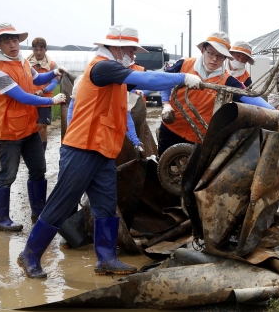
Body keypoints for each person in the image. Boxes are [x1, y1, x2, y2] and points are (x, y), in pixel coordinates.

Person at [18, 25, 203, 279]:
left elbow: (146, 77)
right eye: (129, 50)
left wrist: (172, 76)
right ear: (115, 47)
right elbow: (145, 79)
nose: (133, 55)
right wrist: (181, 78)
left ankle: (106, 258)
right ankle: (29, 254)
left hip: (104, 150)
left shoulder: (116, 72)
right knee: (63, 202)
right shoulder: (103, 67)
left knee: (105, 204)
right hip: (82, 147)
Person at [0, 23, 67, 232]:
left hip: (29, 128)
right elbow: (22, 97)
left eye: (15, 40)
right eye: (7, 41)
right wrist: (52, 101)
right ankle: (1, 219)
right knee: (8, 175)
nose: (13, 44)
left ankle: (38, 212)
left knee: (38, 170)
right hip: (10, 132)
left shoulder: (23, 61)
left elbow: (37, 79)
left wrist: (53, 73)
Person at [158, 31, 274, 157]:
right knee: (161, 166)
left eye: (220, 56)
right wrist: (166, 103)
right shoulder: (184, 64)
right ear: (203, 50)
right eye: (211, 53)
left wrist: (274, 111)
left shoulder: (228, 80)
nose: (214, 59)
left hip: (199, 135)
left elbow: (250, 97)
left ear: (225, 58)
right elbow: (164, 80)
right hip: (172, 126)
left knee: (192, 174)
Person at [27, 37, 60, 152]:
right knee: (31, 127)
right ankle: (32, 152)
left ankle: (41, 152)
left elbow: (54, 82)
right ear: (33, 50)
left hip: (45, 99)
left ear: (45, 50)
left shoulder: (52, 65)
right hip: (30, 99)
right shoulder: (26, 64)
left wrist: (43, 91)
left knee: (42, 126)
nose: (38, 52)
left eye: (41, 49)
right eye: (36, 50)